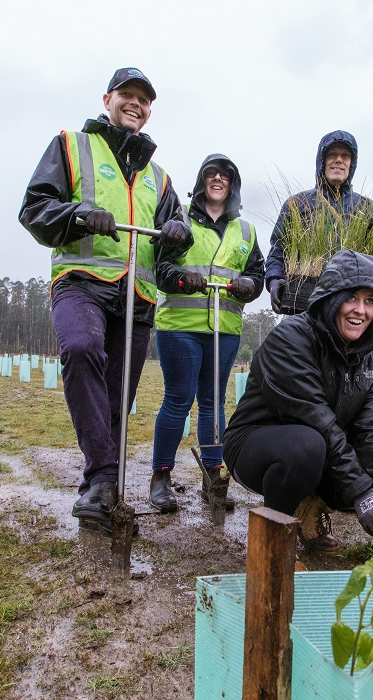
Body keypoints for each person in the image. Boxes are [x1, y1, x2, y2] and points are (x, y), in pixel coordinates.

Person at [18, 67, 191, 534]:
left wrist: (179, 233)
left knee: (118, 399)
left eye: (144, 99)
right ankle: (100, 478)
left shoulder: (160, 176)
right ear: (108, 98)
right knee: (80, 349)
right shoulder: (71, 146)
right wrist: (78, 214)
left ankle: (102, 493)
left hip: (136, 296)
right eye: (127, 95)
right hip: (82, 283)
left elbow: (176, 240)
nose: (135, 104)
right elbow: (34, 209)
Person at [223, 249, 373, 550]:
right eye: (351, 297)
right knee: (307, 447)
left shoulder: (370, 360)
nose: (361, 310)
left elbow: (372, 430)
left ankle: (310, 506)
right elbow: (317, 420)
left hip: (323, 449)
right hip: (259, 447)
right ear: (330, 298)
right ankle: (273, 542)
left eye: (370, 301)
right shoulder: (291, 339)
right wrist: (360, 493)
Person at [151, 154, 265, 512]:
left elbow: (257, 275)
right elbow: (161, 267)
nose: (218, 179)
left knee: (214, 402)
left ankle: (213, 476)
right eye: (211, 174)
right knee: (179, 399)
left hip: (225, 330)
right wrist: (183, 280)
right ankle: (161, 476)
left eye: (226, 175)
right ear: (202, 180)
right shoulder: (179, 218)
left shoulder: (245, 231)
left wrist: (248, 285)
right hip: (180, 327)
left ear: (233, 184)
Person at [265, 130, 373, 314]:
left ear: (352, 164)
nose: (338, 160)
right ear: (322, 160)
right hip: (302, 305)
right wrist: (274, 279)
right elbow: (277, 250)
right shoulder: (297, 205)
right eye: (332, 155)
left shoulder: (368, 210)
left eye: (345, 156)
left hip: (351, 308)